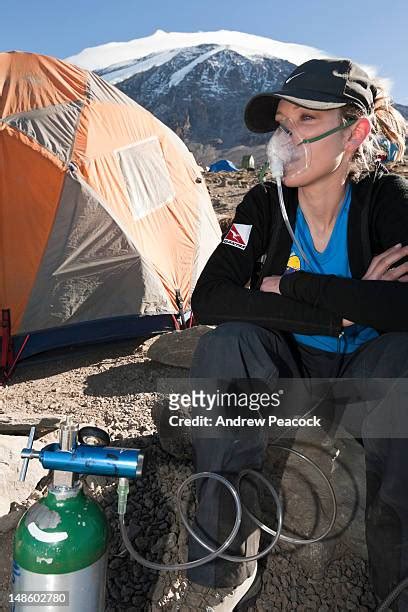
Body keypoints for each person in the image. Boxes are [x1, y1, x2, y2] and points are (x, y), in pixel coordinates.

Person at [155, 58, 408, 611]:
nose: (284, 139)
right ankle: (220, 574)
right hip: (287, 385)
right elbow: (212, 297)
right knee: (230, 343)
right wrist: (342, 311)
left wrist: (293, 287)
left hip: (367, 388)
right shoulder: (261, 206)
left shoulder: (389, 200)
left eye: (306, 121)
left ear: (356, 131)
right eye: (281, 123)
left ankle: (400, 588)